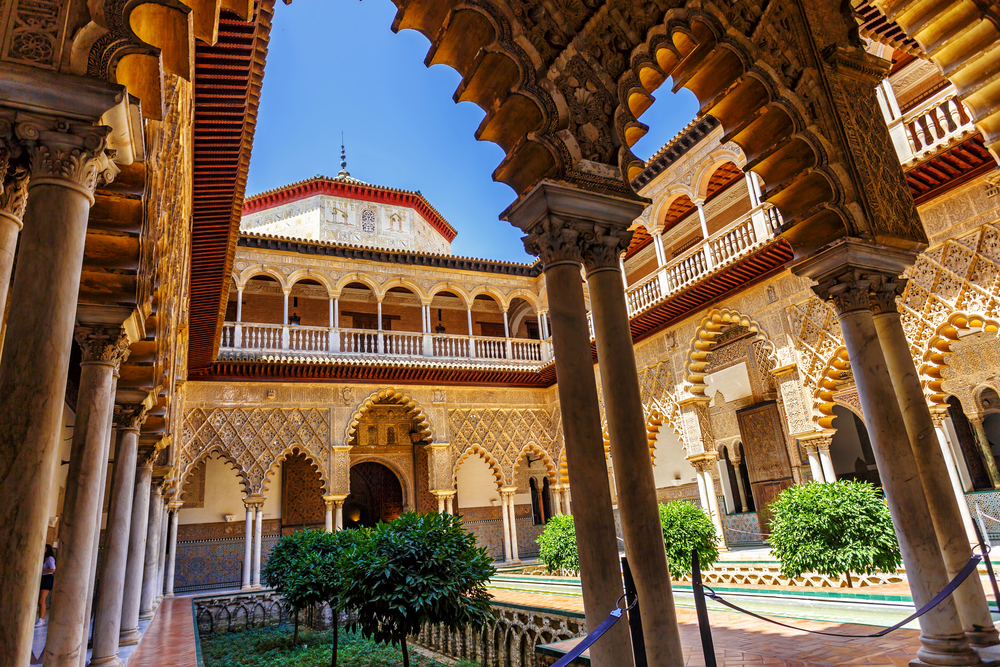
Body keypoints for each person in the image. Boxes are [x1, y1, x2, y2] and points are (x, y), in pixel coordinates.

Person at [37, 545, 55, 628]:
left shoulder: (50, 558)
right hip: (42, 578)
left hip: (47, 578)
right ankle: (41, 619)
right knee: (39, 601)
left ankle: (41, 619)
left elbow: (52, 569)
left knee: (42, 600)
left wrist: (41, 569)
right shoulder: (43, 558)